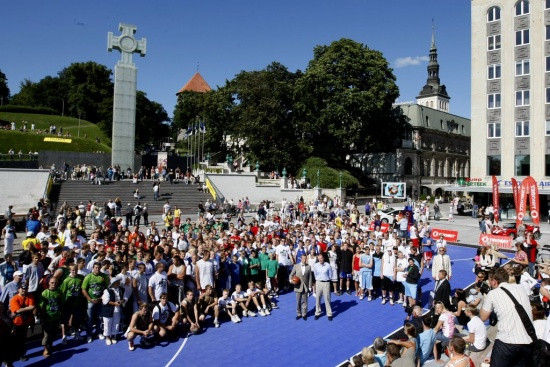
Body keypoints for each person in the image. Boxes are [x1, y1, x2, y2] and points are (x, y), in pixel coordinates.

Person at [479, 267, 533, 367]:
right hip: (528, 341)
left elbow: (483, 317)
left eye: (490, 281)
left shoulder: (493, 293)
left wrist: (486, 295)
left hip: (507, 342)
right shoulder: (521, 288)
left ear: (494, 281)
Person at [82, 261, 109, 343]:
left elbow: (106, 288)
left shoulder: (104, 276)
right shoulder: (88, 277)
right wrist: (90, 299)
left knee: (100, 318)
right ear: (93, 268)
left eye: (98, 268)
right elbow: (83, 289)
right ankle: (89, 334)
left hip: (100, 301)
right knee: (89, 319)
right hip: (90, 301)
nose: (97, 269)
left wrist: (101, 298)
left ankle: (99, 332)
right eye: (96, 267)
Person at [9, 282, 36, 362]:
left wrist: (24, 309)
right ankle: (15, 354)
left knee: (22, 339)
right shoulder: (14, 299)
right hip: (16, 323)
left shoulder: (30, 296)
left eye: (25, 289)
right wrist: (28, 308)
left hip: (25, 322)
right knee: (15, 340)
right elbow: (17, 310)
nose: (24, 290)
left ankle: (21, 354)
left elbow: (33, 306)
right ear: (19, 289)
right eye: (22, 289)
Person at [39, 277, 63, 357]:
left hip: (56, 317)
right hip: (47, 318)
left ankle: (50, 345)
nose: (54, 284)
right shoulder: (45, 293)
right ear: (49, 283)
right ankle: (45, 349)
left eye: (55, 282)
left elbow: (60, 303)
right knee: (47, 334)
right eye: (52, 282)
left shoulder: (59, 292)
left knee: (54, 333)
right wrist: (43, 318)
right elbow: (42, 307)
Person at [101, 275, 124, 345]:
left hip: (117, 309)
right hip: (108, 310)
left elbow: (124, 298)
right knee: (107, 323)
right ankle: (107, 337)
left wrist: (121, 301)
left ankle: (114, 336)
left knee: (116, 322)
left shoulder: (121, 289)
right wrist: (114, 303)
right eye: (117, 282)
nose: (119, 283)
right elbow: (105, 301)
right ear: (114, 283)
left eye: (119, 282)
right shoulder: (107, 290)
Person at [289, 254, 313, 320]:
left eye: (306, 258)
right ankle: (299, 313)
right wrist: (291, 281)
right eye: (303, 258)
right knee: (298, 301)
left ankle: (304, 314)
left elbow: (310, 277)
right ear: (301, 259)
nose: (304, 260)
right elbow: (291, 274)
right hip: (297, 286)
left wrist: (310, 286)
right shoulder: (296, 266)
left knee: (305, 301)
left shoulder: (309, 266)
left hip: (305, 286)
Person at [313, 253, 333, 320]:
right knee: (318, 298)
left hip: (326, 283)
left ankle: (329, 313)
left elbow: (330, 275)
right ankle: (317, 312)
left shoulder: (328, 265)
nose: (320, 260)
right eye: (319, 259)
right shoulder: (315, 265)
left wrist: (327, 280)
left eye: (321, 258)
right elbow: (315, 274)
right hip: (318, 283)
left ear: (323, 258)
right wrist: (318, 280)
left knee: (327, 298)